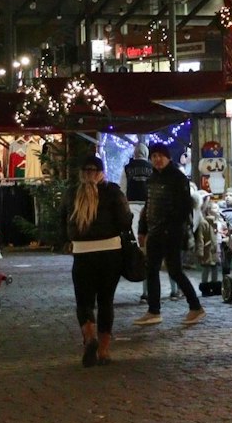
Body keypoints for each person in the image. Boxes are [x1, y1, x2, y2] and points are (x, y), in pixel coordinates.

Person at [67, 156, 130, 367]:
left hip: (83, 253)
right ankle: (103, 351)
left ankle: (89, 335)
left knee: (84, 301)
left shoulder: (72, 193)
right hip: (110, 252)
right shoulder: (112, 191)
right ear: (101, 172)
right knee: (105, 302)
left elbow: (62, 223)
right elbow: (124, 220)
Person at [136, 144, 203, 327]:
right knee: (151, 270)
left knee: (175, 271)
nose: (157, 159)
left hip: (171, 233)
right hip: (155, 231)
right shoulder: (151, 179)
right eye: (154, 156)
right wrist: (143, 229)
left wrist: (171, 228)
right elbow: (147, 206)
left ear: (168, 157)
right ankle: (154, 310)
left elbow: (183, 208)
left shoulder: (178, 178)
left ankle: (195, 306)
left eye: (160, 155)